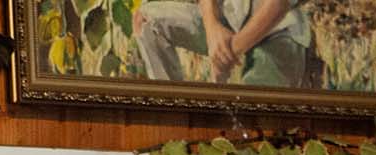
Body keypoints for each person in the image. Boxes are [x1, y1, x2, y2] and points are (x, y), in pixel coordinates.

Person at [133, 0, 311, 87]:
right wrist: (212, 27)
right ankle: (174, 110)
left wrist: (227, 54)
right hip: (229, 19)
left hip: (276, 33)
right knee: (146, 20)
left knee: (253, 113)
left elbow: (277, 6)